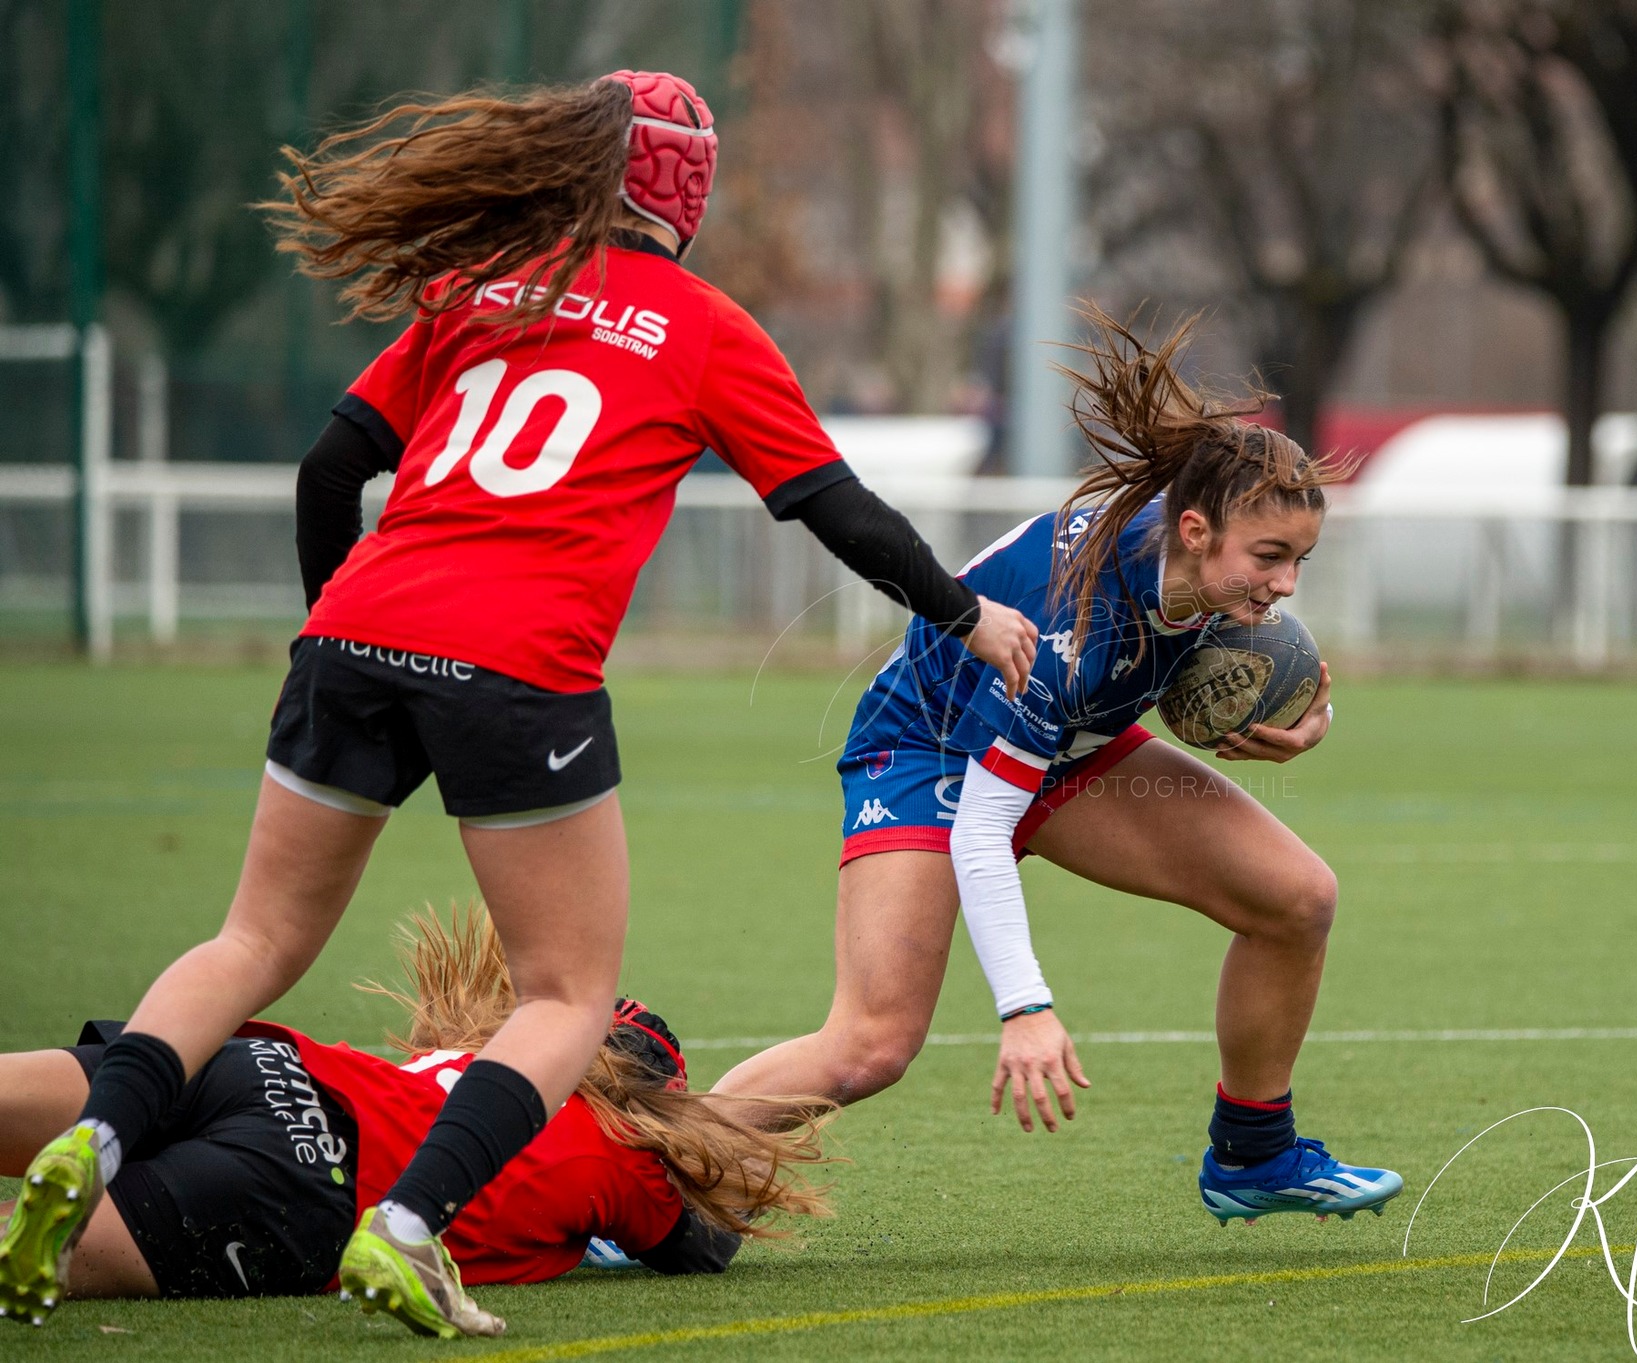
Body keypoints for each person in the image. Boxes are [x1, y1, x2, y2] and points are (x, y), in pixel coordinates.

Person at [0, 71, 1037, 1339]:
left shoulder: (481, 282)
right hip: (516, 661)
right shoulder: (704, 325)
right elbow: (836, 508)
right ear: (686, 196)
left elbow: (332, 466)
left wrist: (336, 627)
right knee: (563, 996)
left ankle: (97, 1136)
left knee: (254, 942)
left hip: (354, 633)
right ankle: (409, 1226)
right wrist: (967, 614)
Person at [713, 309, 1403, 1225]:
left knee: (1297, 899)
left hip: (1066, 747)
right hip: (928, 750)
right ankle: (635, 1178)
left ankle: (1252, 1155)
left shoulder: (1202, 553)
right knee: (870, 1046)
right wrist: (1025, 1007)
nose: (1283, 586)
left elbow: (1210, 655)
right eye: (1270, 559)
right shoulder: (1075, 629)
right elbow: (984, 823)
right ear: (1194, 530)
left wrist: (1304, 714)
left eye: (1299, 560)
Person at [0, 912, 829, 1321]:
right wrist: (720, 1146)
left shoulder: (482, 1061)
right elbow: (700, 1247)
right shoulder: (628, 1157)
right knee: (26, 1250)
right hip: (310, 1178)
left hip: (262, 1062)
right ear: (650, 1107)